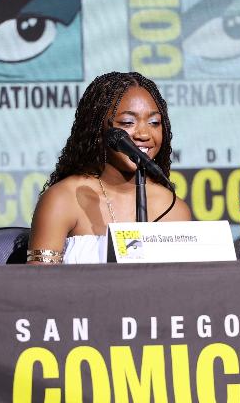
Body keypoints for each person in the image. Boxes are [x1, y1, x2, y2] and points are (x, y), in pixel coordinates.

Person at [27, 71, 191, 264]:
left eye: (154, 123)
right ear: (98, 129)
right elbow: (38, 286)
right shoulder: (63, 199)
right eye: (128, 122)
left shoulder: (172, 209)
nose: (144, 133)